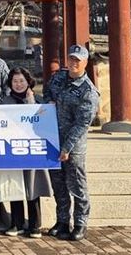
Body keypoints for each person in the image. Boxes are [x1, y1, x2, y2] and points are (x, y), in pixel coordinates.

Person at [43, 45, 99, 241]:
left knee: (77, 185)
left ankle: (81, 223)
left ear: (85, 63)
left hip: (73, 147)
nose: (74, 63)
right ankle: (62, 221)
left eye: (78, 60)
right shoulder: (58, 77)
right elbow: (47, 92)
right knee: (58, 185)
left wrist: (67, 147)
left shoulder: (88, 91)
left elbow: (82, 123)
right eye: (71, 59)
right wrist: (49, 101)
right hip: (53, 140)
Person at [0, 67, 53, 239]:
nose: (18, 84)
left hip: (32, 150)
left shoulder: (38, 100)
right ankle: (16, 223)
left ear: (28, 81)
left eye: (21, 81)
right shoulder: (5, 102)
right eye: (15, 81)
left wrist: (31, 103)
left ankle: (34, 224)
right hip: (12, 150)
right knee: (15, 185)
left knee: (33, 185)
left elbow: (43, 124)